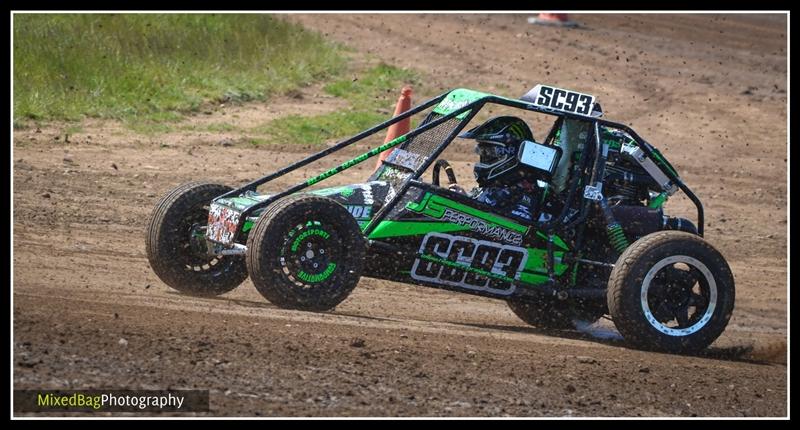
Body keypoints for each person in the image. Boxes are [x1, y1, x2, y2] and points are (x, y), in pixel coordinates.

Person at [454, 116, 544, 222]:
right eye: (482, 151)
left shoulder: (523, 192)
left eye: (489, 152)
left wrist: (464, 208)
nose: (484, 157)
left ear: (512, 154)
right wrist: (464, 198)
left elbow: (510, 229)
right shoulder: (501, 184)